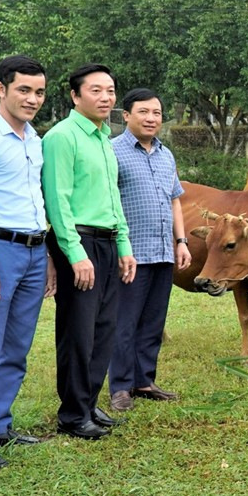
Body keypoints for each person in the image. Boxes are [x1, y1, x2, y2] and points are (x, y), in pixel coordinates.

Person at [43, 63, 136, 440]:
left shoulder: (103, 138)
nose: (105, 97)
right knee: (78, 332)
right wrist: (74, 252)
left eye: (110, 90)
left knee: (103, 330)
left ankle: (88, 403)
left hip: (108, 240)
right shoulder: (62, 137)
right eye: (95, 90)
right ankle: (71, 413)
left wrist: (124, 246)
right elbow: (58, 199)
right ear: (75, 95)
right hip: (78, 241)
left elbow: (113, 199)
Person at [0, 56, 55, 469]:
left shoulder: (34, 138)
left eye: (39, 92)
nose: (33, 99)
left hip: (35, 249)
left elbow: (37, 198)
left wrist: (49, 254)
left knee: (17, 346)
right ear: (1, 89)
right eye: (24, 90)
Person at [108, 88, 191, 411]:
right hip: (131, 253)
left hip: (162, 251)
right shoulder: (112, 151)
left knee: (153, 321)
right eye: (144, 112)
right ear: (126, 115)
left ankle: (144, 380)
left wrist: (181, 241)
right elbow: (108, 202)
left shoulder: (165, 154)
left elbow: (175, 200)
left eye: (156, 112)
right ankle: (121, 387)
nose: (151, 118)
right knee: (125, 321)